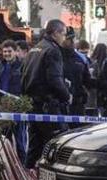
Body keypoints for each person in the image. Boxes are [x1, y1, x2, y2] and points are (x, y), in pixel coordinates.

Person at [21, 19, 71, 168]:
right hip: (49, 106)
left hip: (32, 105)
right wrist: (67, 95)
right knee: (59, 146)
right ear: (55, 33)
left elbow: (24, 76)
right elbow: (54, 79)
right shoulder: (53, 50)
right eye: (63, 34)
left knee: (35, 147)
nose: (64, 38)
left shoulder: (34, 50)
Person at [61, 32, 93, 117]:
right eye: (68, 39)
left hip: (77, 104)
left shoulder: (81, 58)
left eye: (72, 39)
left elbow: (88, 81)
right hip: (61, 104)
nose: (71, 42)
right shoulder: (55, 55)